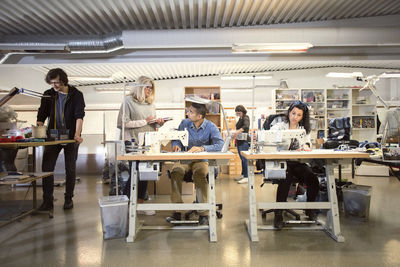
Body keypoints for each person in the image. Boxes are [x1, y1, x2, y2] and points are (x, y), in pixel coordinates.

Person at [167, 102, 224, 225]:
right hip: (185, 158)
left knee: (200, 174)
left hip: (201, 160)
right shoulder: (185, 123)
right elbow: (176, 138)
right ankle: (177, 211)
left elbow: (220, 144)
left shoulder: (211, 127)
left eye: (191, 112)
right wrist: (176, 145)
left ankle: (203, 213)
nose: (187, 113)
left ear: (200, 116)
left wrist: (203, 148)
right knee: (175, 172)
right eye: (188, 111)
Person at [37, 68, 85, 211]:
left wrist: (77, 134)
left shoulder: (76, 95)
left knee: (70, 169)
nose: (55, 86)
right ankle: (47, 201)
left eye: (57, 82)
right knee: (47, 168)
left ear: (64, 80)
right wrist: (39, 129)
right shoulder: (48, 94)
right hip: (52, 136)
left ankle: (68, 199)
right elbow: (42, 115)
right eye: (52, 83)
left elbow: (79, 116)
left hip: (71, 136)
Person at [118, 76, 164, 216]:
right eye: (147, 87)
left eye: (151, 88)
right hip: (133, 143)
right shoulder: (128, 101)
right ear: (139, 87)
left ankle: (139, 204)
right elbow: (123, 124)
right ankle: (125, 204)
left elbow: (151, 123)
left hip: (148, 142)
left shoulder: (150, 104)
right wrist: (145, 121)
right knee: (135, 173)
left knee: (145, 174)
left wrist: (158, 123)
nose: (149, 90)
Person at [270, 100, 320, 229]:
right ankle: (278, 214)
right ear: (289, 112)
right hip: (282, 162)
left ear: (302, 117)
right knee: (285, 179)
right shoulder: (278, 127)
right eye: (293, 113)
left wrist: (306, 147)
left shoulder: (303, 130)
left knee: (313, 180)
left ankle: (309, 209)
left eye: (299, 115)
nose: (295, 117)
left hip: (297, 162)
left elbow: (306, 143)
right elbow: (269, 141)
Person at [233, 105, 250, 184]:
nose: (238, 115)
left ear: (242, 112)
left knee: (244, 159)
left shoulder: (246, 117)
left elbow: (245, 126)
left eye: (239, 113)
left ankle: (246, 177)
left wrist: (237, 132)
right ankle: (243, 174)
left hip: (244, 141)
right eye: (237, 114)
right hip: (239, 141)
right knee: (242, 159)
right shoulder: (241, 118)